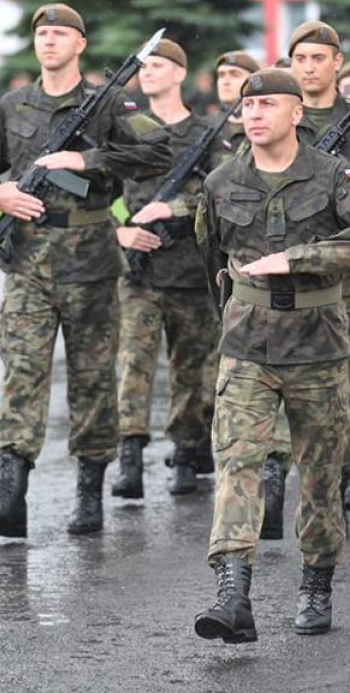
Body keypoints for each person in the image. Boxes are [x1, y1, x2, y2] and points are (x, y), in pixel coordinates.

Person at [193, 68, 350, 642]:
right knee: (237, 464)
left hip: (318, 345)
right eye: (246, 105)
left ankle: (316, 582)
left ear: (296, 113)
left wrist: (297, 258)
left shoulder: (333, 174)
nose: (254, 114)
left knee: (322, 474)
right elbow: (211, 257)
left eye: (268, 104)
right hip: (247, 345)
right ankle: (233, 593)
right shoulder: (221, 180)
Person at [0, 3, 171, 538]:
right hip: (27, 261)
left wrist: (87, 162)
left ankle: (89, 493)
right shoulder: (13, 106)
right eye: (42, 34)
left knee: (92, 379)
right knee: (22, 372)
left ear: (80, 44)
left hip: (91, 263)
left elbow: (157, 150)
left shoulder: (109, 104)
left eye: (60, 34)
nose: (49, 41)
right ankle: (11, 497)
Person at [111, 39, 220, 499]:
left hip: (190, 272)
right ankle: (130, 457)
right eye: (144, 66)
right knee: (132, 365)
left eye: (159, 65)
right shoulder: (126, 131)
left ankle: (186, 453)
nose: (148, 72)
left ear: (180, 74)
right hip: (138, 271)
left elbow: (222, 196)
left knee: (189, 370)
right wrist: (117, 232)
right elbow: (88, 190)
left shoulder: (207, 134)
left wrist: (173, 208)